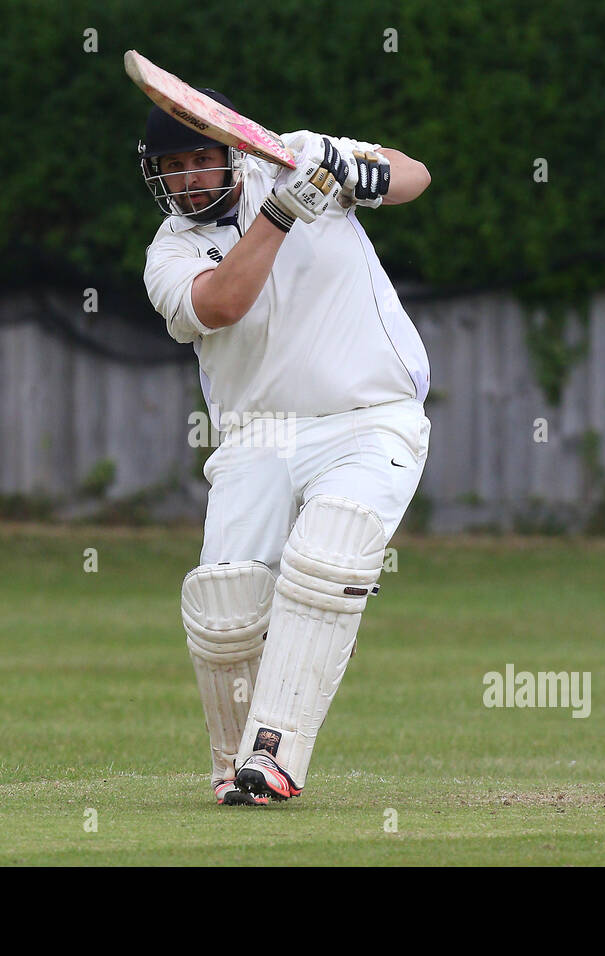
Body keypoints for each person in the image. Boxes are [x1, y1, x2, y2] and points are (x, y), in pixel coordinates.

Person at [139, 88, 433, 806]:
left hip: (369, 414)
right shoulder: (170, 252)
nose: (186, 181)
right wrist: (282, 212)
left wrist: (353, 169)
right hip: (257, 434)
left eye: (199, 162)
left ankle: (274, 756)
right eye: (171, 168)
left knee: (328, 554)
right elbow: (221, 304)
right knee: (225, 606)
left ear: (233, 152)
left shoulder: (294, 154)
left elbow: (414, 174)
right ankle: (234, 762)